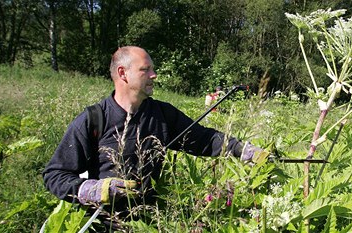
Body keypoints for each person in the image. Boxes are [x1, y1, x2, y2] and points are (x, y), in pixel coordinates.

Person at [42, 46, 265, 231]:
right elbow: (55, 174)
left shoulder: (163, 115)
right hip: (104, 225)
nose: (154, 75)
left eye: (152, 69)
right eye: (145, 70)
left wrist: (244, 150)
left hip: (152, 222)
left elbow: (205, 139)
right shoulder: (94, 119)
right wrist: (93, 189)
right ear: (123, 73)